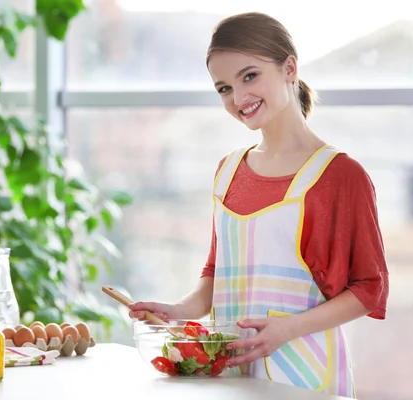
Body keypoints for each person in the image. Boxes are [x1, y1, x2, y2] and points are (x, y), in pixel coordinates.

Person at [128, 12, 389, 398]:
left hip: (306, 377)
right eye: (224, 88)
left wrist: (287, 330)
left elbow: (371, 290)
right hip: (232, 375)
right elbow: (218, 273)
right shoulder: (228, 170)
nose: (238, 98)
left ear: (289, 68)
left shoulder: (339, 175)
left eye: (249, 76)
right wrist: (178, 311)